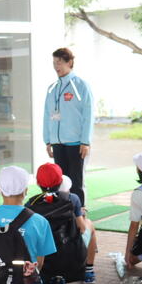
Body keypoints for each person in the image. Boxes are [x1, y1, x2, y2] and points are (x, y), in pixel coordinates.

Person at [26, 163, 98, 284]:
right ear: (61, 181)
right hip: (70, 255)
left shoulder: (30, 204)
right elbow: (82, 228)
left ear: (38, 183)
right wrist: (79, 214)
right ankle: (88, 271)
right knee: (89, 224)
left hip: (45, 261)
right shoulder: (72, 198)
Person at [43, 47, 95, 205]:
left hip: (76, 143)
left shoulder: (81, 85)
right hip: (57, 143)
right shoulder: (52, 88)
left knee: (76, 182)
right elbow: (47, 115)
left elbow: (88, 115)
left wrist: (85, 141)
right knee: (60, 181)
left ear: (69, 62)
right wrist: (48, 140)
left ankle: (80, 212)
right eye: (54, 63)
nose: (56, 66)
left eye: (59, 62)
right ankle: (63, 211)